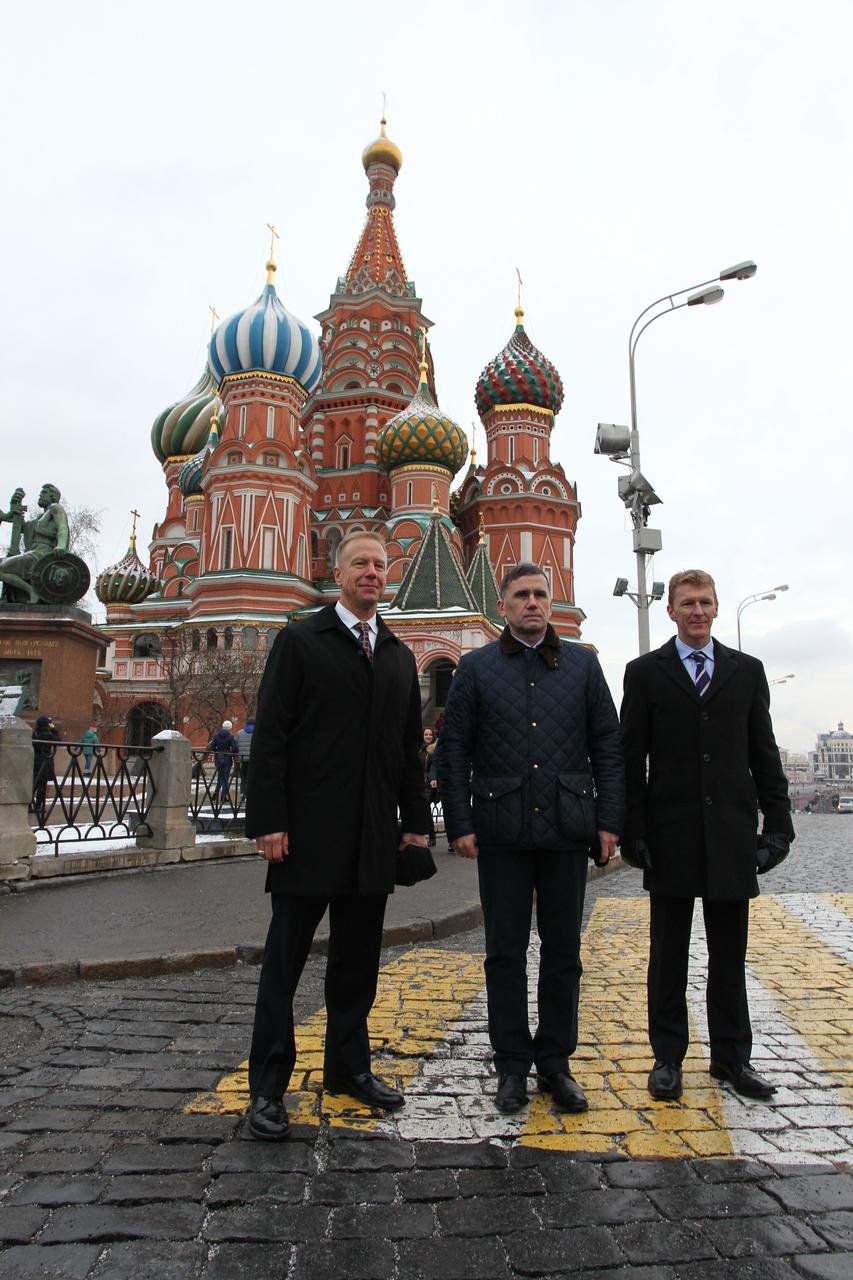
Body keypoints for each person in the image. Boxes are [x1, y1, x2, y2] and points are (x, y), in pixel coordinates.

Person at [245, 529, 429, 1140]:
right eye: (360, 564)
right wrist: (269, 821)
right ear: (339, 571)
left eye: (379, 564)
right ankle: (268, 1088)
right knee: (284, 965)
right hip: (306, 835)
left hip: (372, 838)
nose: (371, 573)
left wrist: (415, 827)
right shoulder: (302, 640)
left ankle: (348, 1069)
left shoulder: (399, 656)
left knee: (357, 967)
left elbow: (409, 754)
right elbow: (270, 735)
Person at [439, 563, 624, 1115]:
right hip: (501, 830)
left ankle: (556, 1063)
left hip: (568, 830)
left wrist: (609, 820)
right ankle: (512, 1066)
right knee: (504, 952)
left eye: (541, 594)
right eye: (521, 595)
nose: (533, 603)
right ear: (504, 605)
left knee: (564, 952)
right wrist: (461, 823)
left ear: (551, 601)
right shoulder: (475, 668)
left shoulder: (583, 666)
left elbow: (608, 746)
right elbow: (454, 751)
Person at [620, 569, 794, 1103]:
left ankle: (731, 1059)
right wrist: (634, 830)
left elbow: (763, 752)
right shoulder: (645, 673)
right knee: (667, 955)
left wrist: (778, 826)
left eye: (705, 602)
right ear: (670, 611)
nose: (697, 611)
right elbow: (631, 760)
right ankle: (667, 1059)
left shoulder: (747, 672)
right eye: (687, 603)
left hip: (730, 836)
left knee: (729, 955)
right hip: (670, 835)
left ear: (716, 609)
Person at [31, 714, 60, 821]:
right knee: (42, 785)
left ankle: (29, 805)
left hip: (35, 761)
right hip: (46, 761)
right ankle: (38, 806)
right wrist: (54, 729)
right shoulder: (49, 735)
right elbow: (58, 741)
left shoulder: (34, 734)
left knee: (33, 784)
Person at [208, 720, 237, 803]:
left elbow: (212, 747)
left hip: (218, 757)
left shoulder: (216, 736)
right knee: (226, 777)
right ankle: (223, 796)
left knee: (220, 776)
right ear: (230, 727)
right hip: (227, 758)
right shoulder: (230, 736)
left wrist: (217, 751)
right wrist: (231, 752)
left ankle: (216, 792)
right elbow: (234, 748)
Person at [419, 727, 437, 846]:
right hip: (419, 782)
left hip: (431, 783)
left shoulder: (435, 749)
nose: (428, 736)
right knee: (422, 808)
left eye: (430, 734)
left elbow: (436, 765)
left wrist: (433, 778)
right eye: (426, 734)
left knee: (425, 807)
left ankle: (432, 836)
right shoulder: (420, 749)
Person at [235, 718, 254, 798]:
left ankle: (243, 792)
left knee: (243, 776)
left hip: (243, 758)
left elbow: (236, 744)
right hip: (253, 759)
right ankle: (251, 793)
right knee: (252, 776)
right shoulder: (257, 733)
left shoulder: (240, 733)